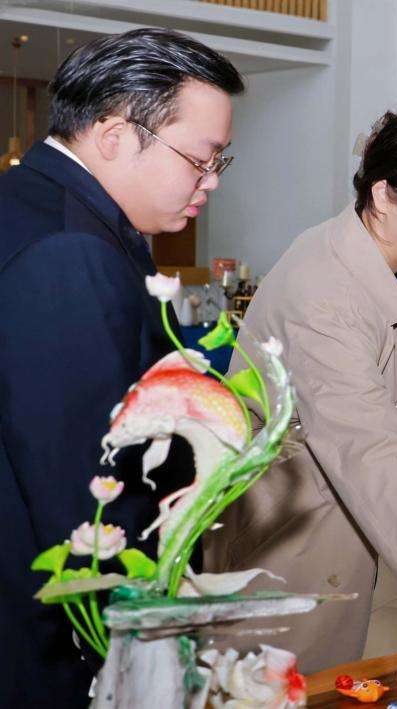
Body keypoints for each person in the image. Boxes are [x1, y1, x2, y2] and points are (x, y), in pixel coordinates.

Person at [204, 106, 397, 687]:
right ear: (385, 194)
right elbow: (372, 446)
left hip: (324, 527)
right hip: (283, 551)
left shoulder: (387, 257)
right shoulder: (325, 293)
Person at [0, 29, 242, 706]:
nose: (213, 178)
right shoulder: (68, 250)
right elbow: (87, 492)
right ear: (113, 135)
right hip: (43, 640)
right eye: (201, 157)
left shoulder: (40, 209)